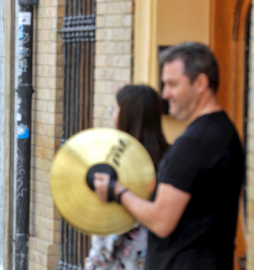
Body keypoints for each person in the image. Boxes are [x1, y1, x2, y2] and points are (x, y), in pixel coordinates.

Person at [93, 42, 244, 270]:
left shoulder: (195, 143)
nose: (165, 94)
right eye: (164, 85)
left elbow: (161, 221)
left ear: (201, 83)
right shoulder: (223, 130)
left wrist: (117, 190)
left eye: (173, 84)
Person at [85, 84, 169, 270]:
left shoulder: (121, 170)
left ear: (127, 116)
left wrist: (92, 263)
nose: (112, 116)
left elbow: (109, 235)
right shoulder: (169, 160)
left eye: (114, 110)